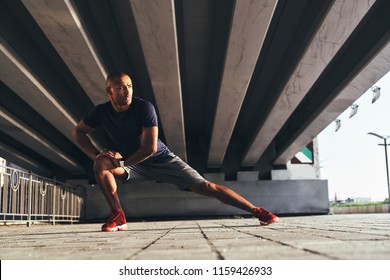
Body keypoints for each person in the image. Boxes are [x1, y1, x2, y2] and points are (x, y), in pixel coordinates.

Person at [72, 71, 278, 232]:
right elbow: (79, 132)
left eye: (130, 86)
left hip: (160, 159)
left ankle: (256, 211)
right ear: (109, 91)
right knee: (100, 164)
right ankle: (117, 215)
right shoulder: (100, 112)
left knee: (206, 187)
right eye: (120, 87)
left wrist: (123, 163)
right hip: (131, 164)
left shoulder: (144, 108)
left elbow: (150, 148)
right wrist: (98, 154)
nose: (127, 91)